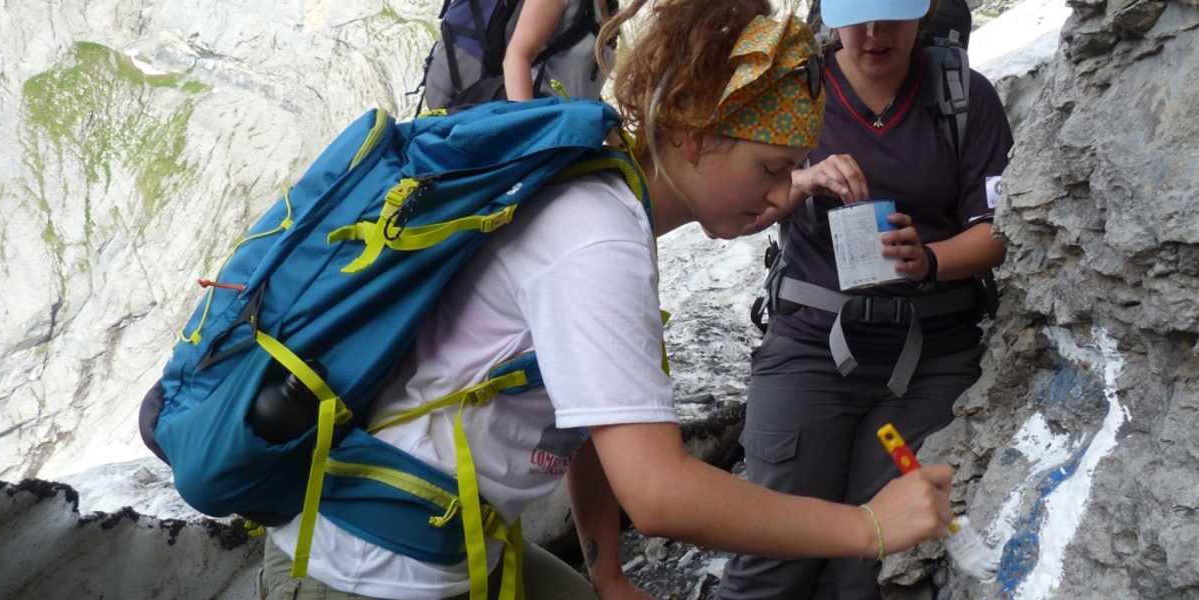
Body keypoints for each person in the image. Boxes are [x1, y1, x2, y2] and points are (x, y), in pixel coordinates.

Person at [257, 2, 957, 599]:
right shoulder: (598, 238)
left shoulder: (612, 200)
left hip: (432, 535)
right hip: (359, 566)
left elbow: (598, 422)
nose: (781, 196)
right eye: (770, 168)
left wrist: (607, 571)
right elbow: (657, 492)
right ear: (691, 132)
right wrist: (866, 527)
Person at [721, 0, 1015, 597]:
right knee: (775, 552)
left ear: (923, 13)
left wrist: (929, 259)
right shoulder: (794, 90)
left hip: (930, 359)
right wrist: (800, 180)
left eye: (892, 16)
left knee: (870, 567)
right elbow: (727, 217)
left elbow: (1000, 230)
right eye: (858, 16)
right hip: (811, 346)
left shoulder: (964, 96)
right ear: (831, 14)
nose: (874, 33)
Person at [502, 0, 615, 102]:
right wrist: (528, 122)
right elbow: (516, 56)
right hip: (542, 115)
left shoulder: (612, 13)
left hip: (571, 120)